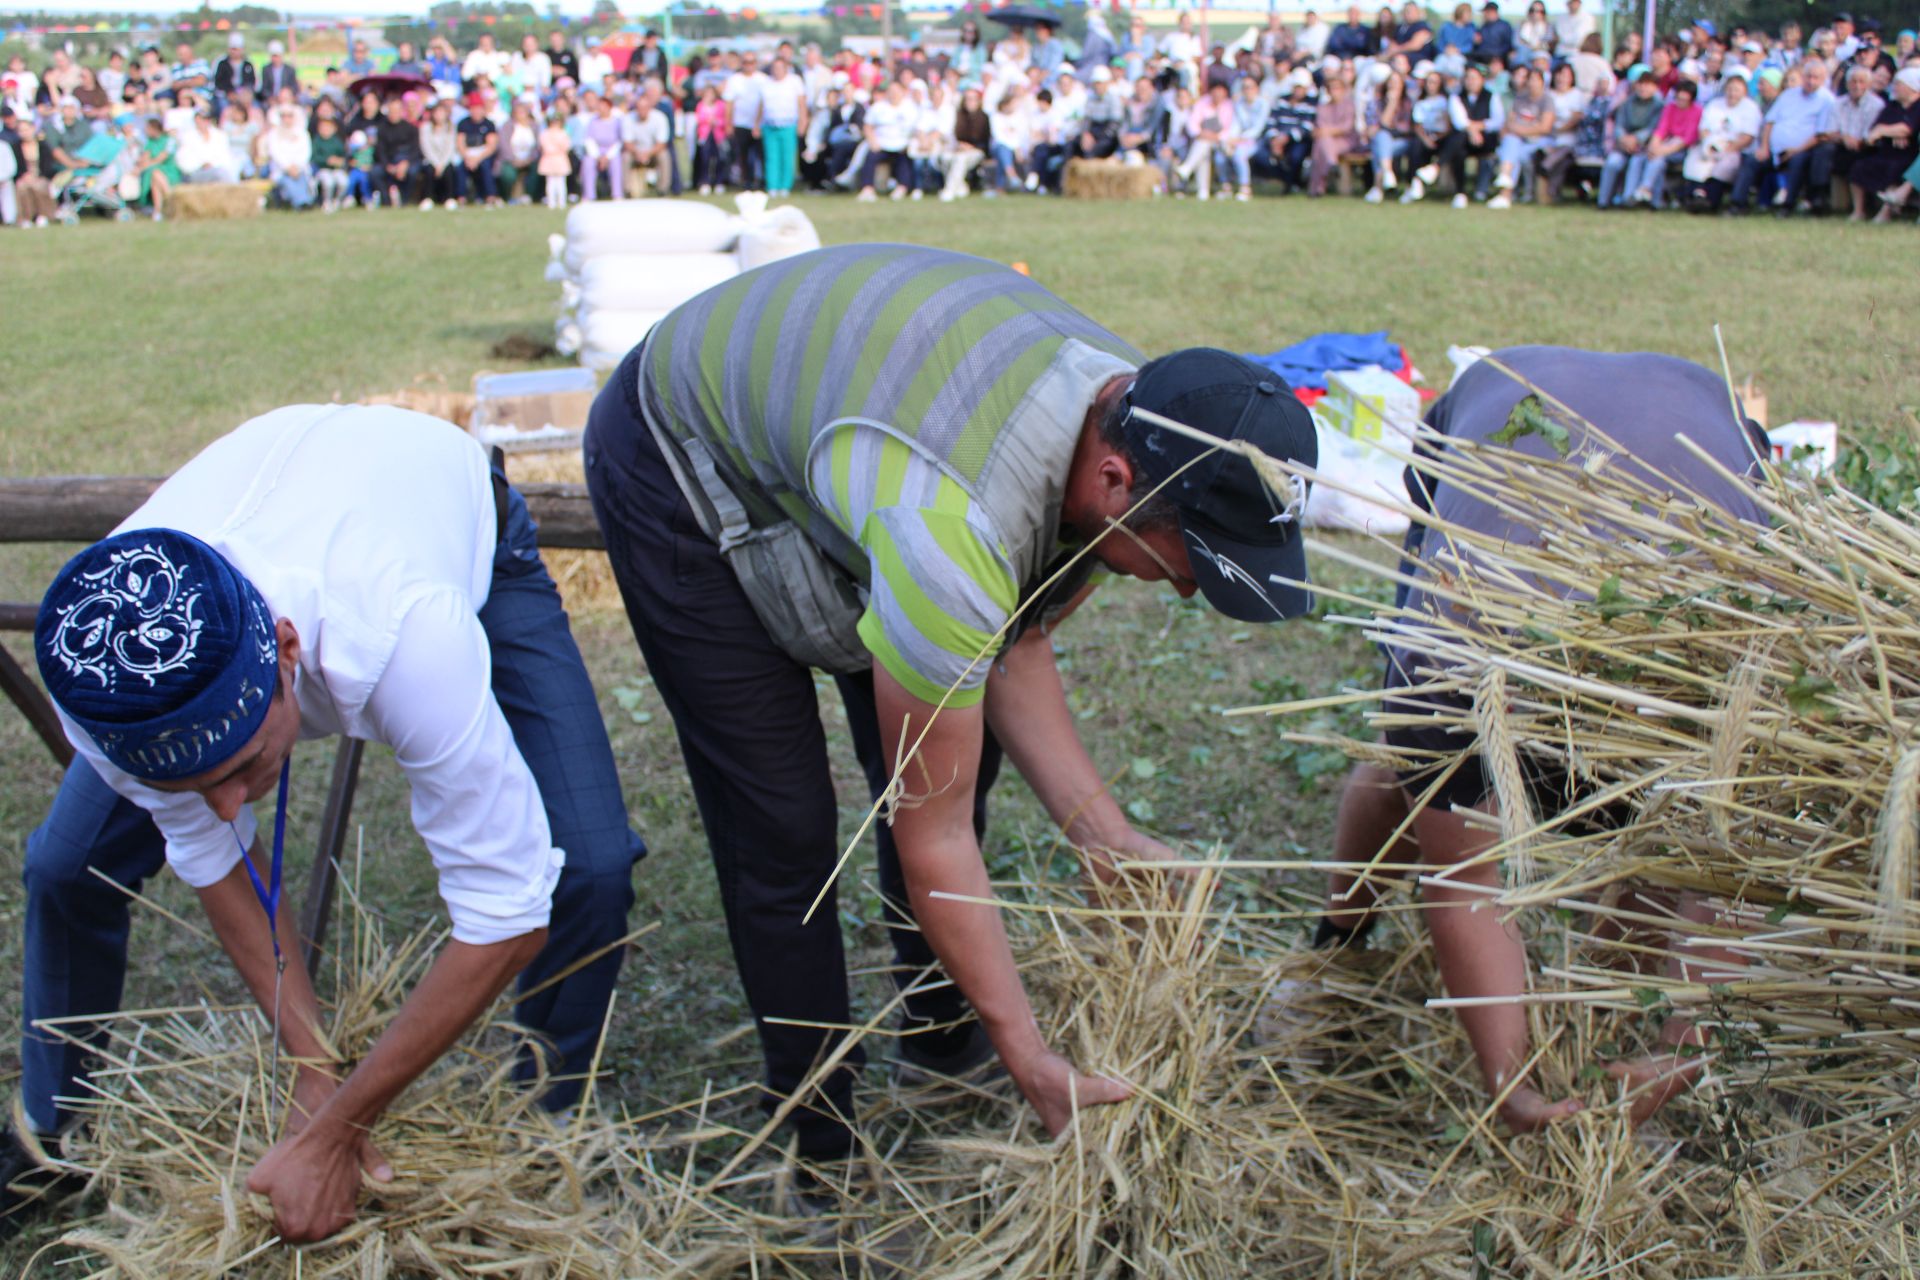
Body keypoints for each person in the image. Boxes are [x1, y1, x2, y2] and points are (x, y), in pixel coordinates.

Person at [582, 243, 1316, 1195]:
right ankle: (821, 1140)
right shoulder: (953, 529)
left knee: (950, 757)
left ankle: (940, 1041)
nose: (1185, 589)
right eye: (1192, 558)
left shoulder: (1146, 415)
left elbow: (1005, 643)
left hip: (863, 440)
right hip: (680, 454)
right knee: (786, 826)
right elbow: (926, 825)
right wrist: (1030, 1049)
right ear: (1114, 482)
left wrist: (1105, 834)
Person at [0, 405, 643, 1242]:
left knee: (588, 865)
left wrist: (341, 1128)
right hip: (276, 486)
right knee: (64, 865)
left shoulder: (409, 633)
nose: (234, 805)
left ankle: (537, 1129)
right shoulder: (103, 689)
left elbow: (506, 911)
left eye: (237, 770)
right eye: (195, 783)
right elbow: (217, 853)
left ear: (288, 654)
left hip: (445, 505)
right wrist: (312, 1065)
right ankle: (52, 1134)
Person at [1317, 347, 1764, 1134]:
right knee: (1412, 762)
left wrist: (1684, 1047)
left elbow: (1727, 867)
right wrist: (1509, 1083)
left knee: (1679, 822)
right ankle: (1332, 948)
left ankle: (1611, 1006)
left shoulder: (1736, 661)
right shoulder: (1451, 649)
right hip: (1495, 411)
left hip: (1696, 418)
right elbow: (1462, 877)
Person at [1758, 56, 1838, 212]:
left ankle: (1788, 204)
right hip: (1775, 150)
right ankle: (1739, 203)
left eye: (1816, 77)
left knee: (1797, 161)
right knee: (1751, 162)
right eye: (1808, 76)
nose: (1811, 81)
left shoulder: (1827, 100)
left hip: (1804, 149)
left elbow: (1820, 134)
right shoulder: (1788, 94)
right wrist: (1764, 146)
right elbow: (1770, 122)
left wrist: (1795, 151)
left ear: (1823, 80)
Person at [1682, 71, 1759, 211]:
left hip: (1734, 148)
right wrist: (1709, 144)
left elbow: (1747, 137)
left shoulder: (1750, 108)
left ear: (1744, 91)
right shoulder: (1715, 104)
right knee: (1697, 160)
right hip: (1710, 144)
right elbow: (1703, 129)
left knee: (1724, 166)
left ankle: (1711, 201)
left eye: (1736, 90)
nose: (1732, 93)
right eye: (1729, 89)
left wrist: (1725, 149)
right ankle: (1694, 197)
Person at [1854, 65, 1920, 221]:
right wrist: (1892, 131)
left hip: (1910, 152)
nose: (1894, 87)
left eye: (1899, 84)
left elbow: (1907, 129)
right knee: (1859, 165)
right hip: (1890, 150)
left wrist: (1889, 131)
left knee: (1897, 168)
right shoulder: (1893, 105)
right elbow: (1876, 128)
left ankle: (1892, 204)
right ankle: (1860, 211)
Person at [1487, 64, 1555, 207]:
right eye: (1530, 79)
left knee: (1513, 152)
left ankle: (1505, 193)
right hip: (1519, 139)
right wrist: (1519, 130)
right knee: (1511, 145)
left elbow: (1544, 127)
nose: (1532, 83)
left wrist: (1519, 130)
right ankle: (1505, 186)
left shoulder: (1547, 100)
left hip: (1540, 141)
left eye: (1536, 80)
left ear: (1542, 82)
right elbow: (1509, 122)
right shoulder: (1520, 98)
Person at [1596, 70, 1664, 207]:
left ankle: (1629, 199)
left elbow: (1653, 128)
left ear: (1655, 87)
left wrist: (1635, 139)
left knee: (1637, 161)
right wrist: (1623, 139)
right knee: (1612, 162)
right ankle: (1603, 201)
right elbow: (1619, 125)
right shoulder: (1627, 103)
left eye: (1648, 84)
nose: (1643, 88)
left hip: (1645, 147)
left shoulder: (1659, 106)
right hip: (1623, 145)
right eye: (1641, 84)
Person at [1441, 61, 1502, 206]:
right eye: (1468, 78)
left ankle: (1437, 167)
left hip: (1486, 140)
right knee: (1459, 144)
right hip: (1465, 140)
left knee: (1459, 139)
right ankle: (1460, 192)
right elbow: (1459, 122)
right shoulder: (1457, 97)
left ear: (1482, 80)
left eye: (1474, 78)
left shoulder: (1491, 96)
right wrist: (1472, 131)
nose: (1471, 81)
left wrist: (1476, 128)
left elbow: (1497, 121)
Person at [857, 79, 915, 201]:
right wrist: (873, 141)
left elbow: (915, 128)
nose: (893, 94)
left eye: (896, 91)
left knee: (904, 158)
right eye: (891, 91)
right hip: (881, 143)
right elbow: (867, 126)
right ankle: (867, 188)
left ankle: (902, 187)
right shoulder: (878, 107)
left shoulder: (910, 107)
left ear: (903, 92)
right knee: (870, 157)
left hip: (902, 144)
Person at [759, 56, 807, 199]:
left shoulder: (794, 81)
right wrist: (757, 124)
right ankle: (772, 186)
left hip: (788, 124)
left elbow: (801, 103)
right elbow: (761, 106)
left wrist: (803, 121)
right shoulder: (766, 83)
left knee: (787, 157)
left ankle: (785, 186)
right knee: (771, 157)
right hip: (770, 125)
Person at [1832, 65, 1885, 196]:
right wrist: (1844, 137)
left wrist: (1858, 141)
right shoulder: (1838, 103)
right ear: (1847, 84)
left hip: (1866, 146)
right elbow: (1829, 131)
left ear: (1869, 84)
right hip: (1842, 145)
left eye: (1861, 81)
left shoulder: (1877, 104)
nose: (1857, 85)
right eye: (1853, 81)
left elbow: (1871, 134)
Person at [1365, 66, 1414, 202]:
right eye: (1391, 82)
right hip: (1384, 142)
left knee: (1380, 144)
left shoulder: (1408, 104)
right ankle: (1387, 173)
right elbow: (1374, 129)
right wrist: (1391, 104)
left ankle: (1378, 186)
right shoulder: (1377, 103)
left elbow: (1402, 129)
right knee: (1382, 139)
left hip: (1403, 142)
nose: (1393, 86)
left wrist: (1393, 103)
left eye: (1396, 83)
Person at [1309, 74, 1361, 196]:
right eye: (1331, 88)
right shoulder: (1323, 107)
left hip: (1346, 141)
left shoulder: (1349, 105)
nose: (1334, 91)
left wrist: (1327, 132)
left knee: (1321, 144)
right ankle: (1331, 165)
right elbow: (1320, 125)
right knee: (1321, 143)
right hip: (1327, 141)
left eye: (1337, 88)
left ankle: (1317, 186)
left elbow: (1346, 127)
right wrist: (1326, 132)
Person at [624, 84, 675, 198]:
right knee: (626, 157)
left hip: (653, 152)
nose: (642, 111)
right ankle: (627, 190)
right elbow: (628, 143)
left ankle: (663, 190)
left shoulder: (660, 118)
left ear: (650, 108)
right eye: (639, 108)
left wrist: (647, 154)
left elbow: (661, 144)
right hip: (635, 152)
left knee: (664, 155)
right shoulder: (628, 119)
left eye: (644, 108)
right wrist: (638, 153)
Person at [943, 85, 989, 200]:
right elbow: (953, 136)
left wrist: (971, 147)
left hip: (977, 151)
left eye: (973, 99)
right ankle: (961, 187)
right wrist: (959, 145)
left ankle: (949, 190)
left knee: (960, 160)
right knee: (945, 158)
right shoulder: (958, 115)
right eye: (968, 99)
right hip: (958, 149)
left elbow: (985, 141)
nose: (970, 102)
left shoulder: (984, 117)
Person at [265, 103, 315, 209]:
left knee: (301, 178)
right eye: (283, 116)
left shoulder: (302, 133)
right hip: (282, 170)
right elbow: (275, 154)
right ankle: (302, 203)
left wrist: (297, 166)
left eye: (289, 116)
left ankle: (304, 201)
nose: (286, 119)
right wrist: (288, 167)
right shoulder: (274, 134)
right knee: (287, 180)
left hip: (300, 168)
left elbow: (306, 153)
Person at [131, 115, 179, 217]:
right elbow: (145, 158)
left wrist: (142, 168)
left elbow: (162, 158)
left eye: (147, 128)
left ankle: (162, 207)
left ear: (154, 129)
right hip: (154, 170)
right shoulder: (149, 142)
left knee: (155, 174)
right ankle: (162, 208)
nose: (145, 131)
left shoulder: (169, 140)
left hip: (169, 170)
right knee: (154, 175)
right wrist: (140, 167)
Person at [457, 94, 500, 206]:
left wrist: (477, 159)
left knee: (486, 166)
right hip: (468, 154)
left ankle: (490, 196)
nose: (476, 112)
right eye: (473, 109)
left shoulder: (489, 124)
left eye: (478, 109)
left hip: (483, 154)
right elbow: (460, 143)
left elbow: (491, 146)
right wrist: (467, 157)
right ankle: (461, 197)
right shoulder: (463, 123)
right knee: (460, 168)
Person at [581, 93, 623, 201]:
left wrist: (607, 156)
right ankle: (589, 195)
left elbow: (619, 141)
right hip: (596, 152)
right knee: (588, 163)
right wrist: (598, 156)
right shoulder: (593, 121)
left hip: (612, 152)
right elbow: (589, 140)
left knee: (616, 163)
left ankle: (617, 194)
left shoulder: (617, 122)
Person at [417, 99, 458, 208]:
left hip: (446, 160)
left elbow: (450, 148)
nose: (439, 115)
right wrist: (436, 163)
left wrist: (442, 164)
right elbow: (426, 148)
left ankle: (449, 198)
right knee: (429, 170)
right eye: (437, 112)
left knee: (448, 170)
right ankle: (427, 198)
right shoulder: (425, 128)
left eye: (442, 112)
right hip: (430, 160)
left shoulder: (451, 127)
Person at [311, 114, 350, 212]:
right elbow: (314, 157)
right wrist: (326, 160)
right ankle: (326, 201)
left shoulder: (337, 141)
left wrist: (340, 161)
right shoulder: (317, 141)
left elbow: (343, 155)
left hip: (336, 170)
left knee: (343, 181)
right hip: (322, 170)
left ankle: (337, 200)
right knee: (328, 182)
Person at [538, 107, 572, 208]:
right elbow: (545, 146)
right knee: (550, 182)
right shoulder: (545, 133)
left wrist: (557, 147)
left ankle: (561, 202)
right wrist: (554, 149)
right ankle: (551, 202)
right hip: (549, 159)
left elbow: (566, 146)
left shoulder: (563, 133)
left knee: (561, 182)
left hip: (560, 160)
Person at [213, 34, 256, 104]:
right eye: (233, 49)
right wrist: (229, 92)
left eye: (237, 49)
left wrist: (244, 92)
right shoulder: (222, 64)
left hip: (244, 95)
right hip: (226, 95)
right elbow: (218, 82)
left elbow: (251, 82)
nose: (235, 52)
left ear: (242, 49)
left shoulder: (248, 64)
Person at [1474, 1, 1514, 66]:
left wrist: (1498, 56)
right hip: (1481, 57)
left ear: (1492, 12)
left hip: (1497, 59)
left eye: (1486, 12)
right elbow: (1478, 45)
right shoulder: (1483, 27)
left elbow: (1508, 45)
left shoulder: (1504, 26)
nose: (1484, 14)